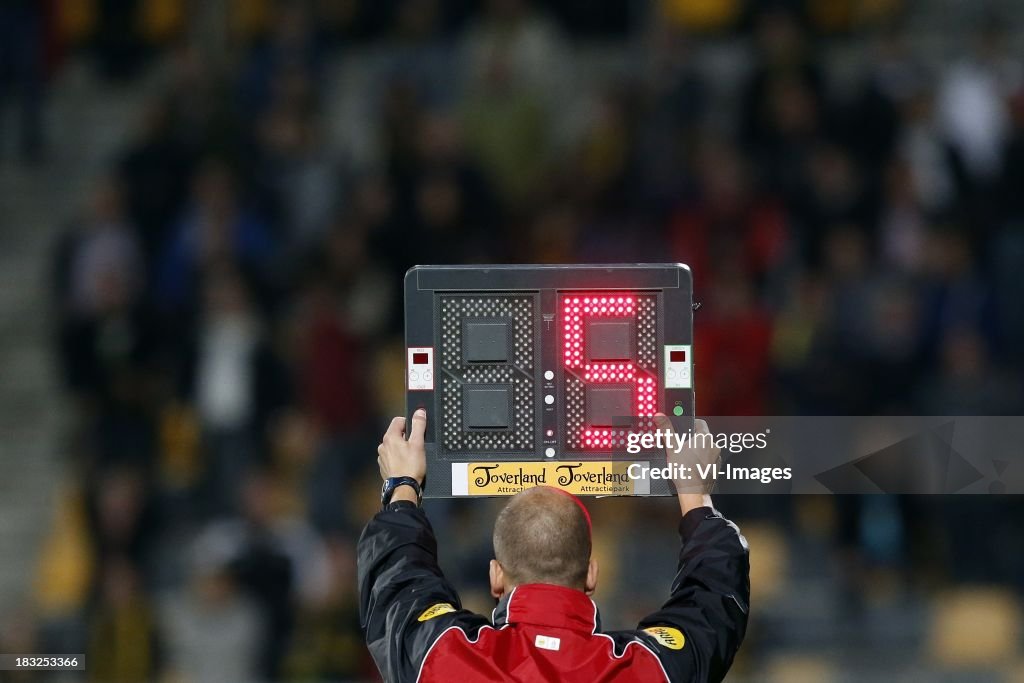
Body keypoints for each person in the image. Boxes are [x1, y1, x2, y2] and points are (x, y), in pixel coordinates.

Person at [358, 409, 749, 682]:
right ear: (592, 573)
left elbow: (396, 585)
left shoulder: (443, 658)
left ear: (496, 576)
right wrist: (693, 494)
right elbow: (716, 599)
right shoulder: (648, 668)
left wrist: (402, 484)